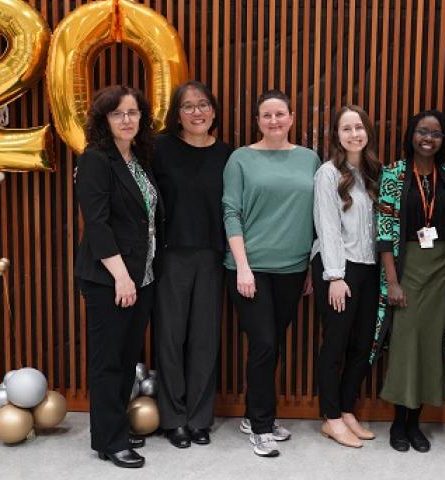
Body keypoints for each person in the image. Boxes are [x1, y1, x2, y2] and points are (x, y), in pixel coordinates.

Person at [223, 89, 320, 457]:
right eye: (267, 115)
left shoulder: (310, 159)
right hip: (251, 269)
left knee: (273, 344)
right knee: (263, 343)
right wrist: (243, 267)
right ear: (258, 120)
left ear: (292, 118)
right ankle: (261, 426)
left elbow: (315, 216)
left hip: (293, 269)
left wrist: (311, 265)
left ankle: (254, 414)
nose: (274, 121)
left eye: (280, 114)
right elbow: (230, 212)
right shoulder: (240, 159)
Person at [371, 110, 445, 453]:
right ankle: (399, 423)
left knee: (431, 345)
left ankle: (416, 424)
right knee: (405, 344)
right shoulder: (393, 174)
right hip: (407, 266)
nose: (428, 138)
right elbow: (384, 233)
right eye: (422, 131)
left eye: (436, 133)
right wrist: (393, 281)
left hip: (444, 270)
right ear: (411, 134)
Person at [75, 85, 162, 469]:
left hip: (142, 276)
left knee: (127, 360)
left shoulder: (138, 159)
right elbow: (97, 224)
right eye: (117, 113)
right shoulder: (96, 160)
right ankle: (108, 441)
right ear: (104, 120)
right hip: (110, 279)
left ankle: (114, 427)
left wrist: (138, 277)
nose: (127, 120)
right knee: (108, 362)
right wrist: (122, 278)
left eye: (132, 113)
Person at [152, 81, 231, 448]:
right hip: (171, 255)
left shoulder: (229, 155)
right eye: (188, 106)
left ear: (214, 112)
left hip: (213, 256)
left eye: (203, 105)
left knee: (204, 339)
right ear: (177, 115)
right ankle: (173, 418)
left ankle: (199, 418)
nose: (197, 112)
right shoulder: (160, 149)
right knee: (170, 337)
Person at [311, 105, 381, 448]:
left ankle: (347, 407)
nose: (354, 134)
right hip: (337, 267)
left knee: (363, 344)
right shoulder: (328, 173)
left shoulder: (373, 173)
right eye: (346, 128)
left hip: (369, 268)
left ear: (367, 132)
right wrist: (336, 276)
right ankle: (331, 417)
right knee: (336, 343)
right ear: (336, 135)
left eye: (359, 127)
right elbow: (327, 227)